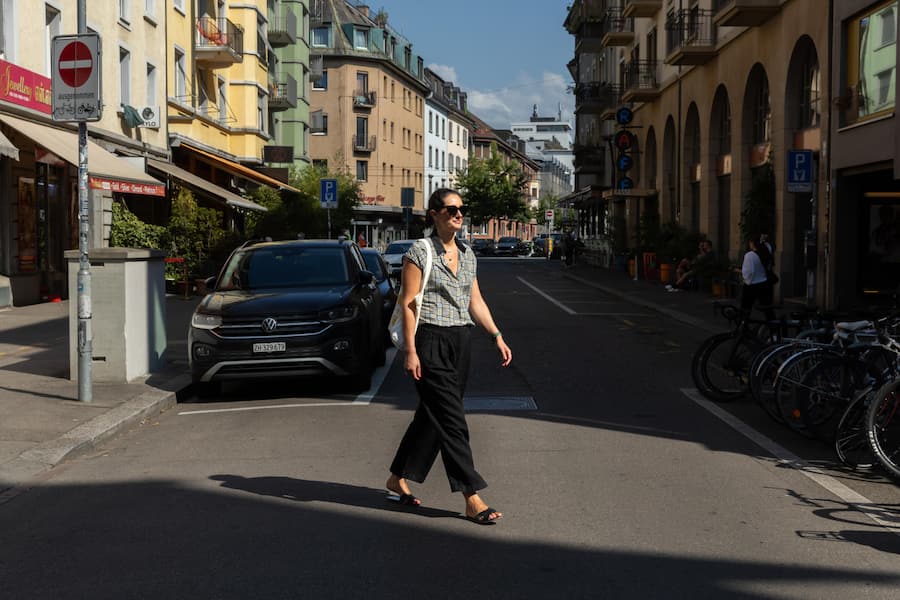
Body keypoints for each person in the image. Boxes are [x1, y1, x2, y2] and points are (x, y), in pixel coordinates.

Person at [386, 188, 512, 525]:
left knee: (432, 415)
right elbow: (409, 303)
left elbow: (475, 300)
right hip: (429, 341)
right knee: (453, 419)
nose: (458, 214)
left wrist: (496, 334)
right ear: (434, 214)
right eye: (450, 209)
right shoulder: (420, 252)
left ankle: (397, 476)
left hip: (461, 340)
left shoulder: (468, 254)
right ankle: (471, 495)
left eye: (461, 209)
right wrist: (411, 351)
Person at [736, 234, 776, 322]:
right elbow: (768, 246)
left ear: (753, 243)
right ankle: (774, 327)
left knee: (746, 307)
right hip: (764, 283)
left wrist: (743, 276)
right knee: (767, 308)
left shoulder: (750, 255)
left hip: (751, 285)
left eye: (750, 242)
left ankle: (743, 326)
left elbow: (748, 272)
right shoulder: (766, 253)